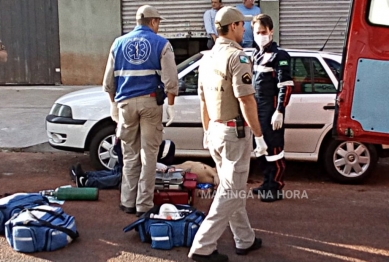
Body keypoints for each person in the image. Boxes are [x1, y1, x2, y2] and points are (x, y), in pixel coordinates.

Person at [188, 7, 268, 262]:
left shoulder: (207, 58)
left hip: (215, 130)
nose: (245, 30)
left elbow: (203, 100)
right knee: (231, 192)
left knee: (230, 187)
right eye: (242, 25)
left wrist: (206, 129)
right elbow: (246, 100)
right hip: (235, 133)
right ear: (232, 27)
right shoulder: (238, 57)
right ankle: (202, 247)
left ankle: (245, 239)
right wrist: (259, 135)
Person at [102, 5, 178, 217]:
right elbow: (171, 79)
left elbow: (108, 82)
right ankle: (144, 204)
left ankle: (127, 200)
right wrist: (170, 104)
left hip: (125, 104)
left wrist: (113, 105)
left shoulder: (117, 43)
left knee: (129, 154)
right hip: (150, 103)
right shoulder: (162, 43)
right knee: (149, 155)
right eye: (158, 22)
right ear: (153, 22)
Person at [251, 14, 294, 202]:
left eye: (264, 32)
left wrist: (279, 111)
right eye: (257, 32)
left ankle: (275, 187)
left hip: (271, 110)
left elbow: (286, 85)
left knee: (274, 151)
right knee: (261, 149)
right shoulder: (256, 55)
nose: (261, 35)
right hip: (256, 110)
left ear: (271, 31)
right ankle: (266, 183)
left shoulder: (280, 56)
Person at [69, 139, 176, 190]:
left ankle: (87, 182)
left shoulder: (162, 164)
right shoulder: (160, 161)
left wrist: (163, 168)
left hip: (139, 177)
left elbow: (151, 165)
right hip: (141, 171)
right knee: (117, 171)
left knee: (118, 176)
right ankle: (86, 176)